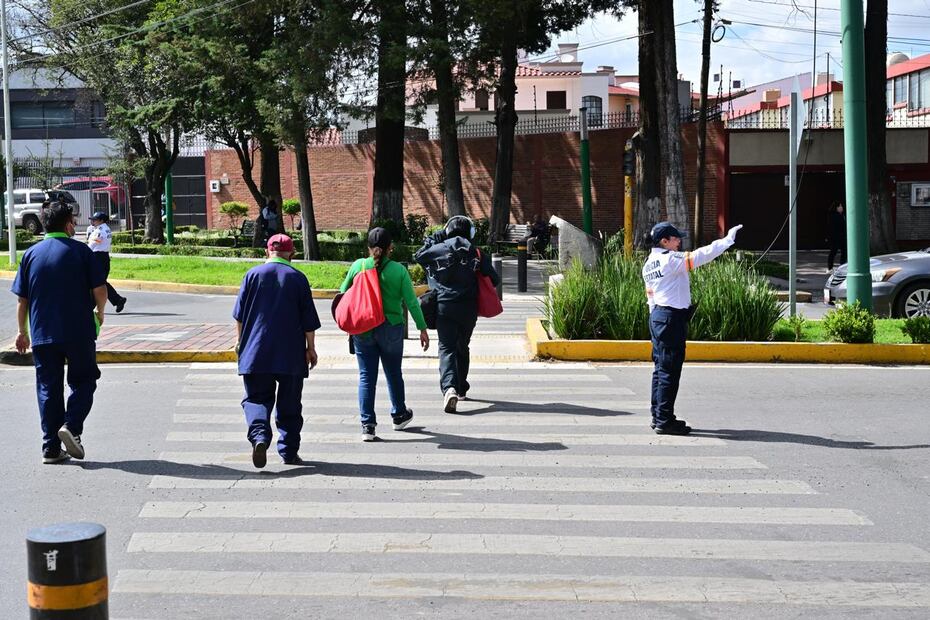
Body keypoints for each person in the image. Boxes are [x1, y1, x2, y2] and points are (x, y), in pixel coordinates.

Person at [11, 202, 107, 464]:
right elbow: (100, 289)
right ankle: (72, 426)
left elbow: (23, 300)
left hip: (42, 332)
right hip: (78, 331)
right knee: (85, 380)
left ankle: (51, 448)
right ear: (67, 225)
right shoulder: (81, 252)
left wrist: (22, 331)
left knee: (48, 388)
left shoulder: (30, 254)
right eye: (73, 222)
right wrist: (100, 313)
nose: (75, 226)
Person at [641, 221, 743, 435]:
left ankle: (658, 415)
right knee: (669, 371)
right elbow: (701, 255)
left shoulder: (649, 263)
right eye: (676, 238)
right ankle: (665, 421)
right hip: (670, 319)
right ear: (664, 241)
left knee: (660, 370)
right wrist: (727, 241)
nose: (679, 241)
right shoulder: (670, 260)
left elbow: (650, 296)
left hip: (658, 317)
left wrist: (656, 320)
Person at [233, 233, 321, 467]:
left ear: (267, 251)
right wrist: (310, 348)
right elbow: (308, 321)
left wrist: (240, 343)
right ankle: (289, 451)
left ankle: (260, 436)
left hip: (256, 351)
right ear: (291, 254)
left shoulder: (251, 275)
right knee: (290, 403)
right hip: (290, 353)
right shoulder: (298, 278)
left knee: (256, 399)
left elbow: (239, 316)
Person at [341, 227, 429, 441]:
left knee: (366, 377)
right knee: (393, 373)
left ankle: (368, 426)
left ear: (368, 247)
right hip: (391, 327)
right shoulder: (399, 270)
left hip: (363, 329)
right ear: (391, 247)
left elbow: (342, 294)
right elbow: (411, 302)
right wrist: (422, 328)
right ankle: (399, 415)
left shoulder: (358, 266)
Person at [415, 215, 500, 413]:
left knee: (446, 348)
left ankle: (450, 388)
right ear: (470, 233)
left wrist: (434, 239)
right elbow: (494, 279)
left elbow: (418, 256)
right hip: (468, 308)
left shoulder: (438, 249)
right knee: (463, 346)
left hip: (444, 306)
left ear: (447, 230)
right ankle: (461, 387)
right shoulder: (476, 252)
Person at [86, 211, 127, 313]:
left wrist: (84, 254)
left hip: (98, 258)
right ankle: (117, 300)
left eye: (95, 220)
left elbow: (92, 245)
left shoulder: (100, 231)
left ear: (101, 220)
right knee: (99, 282)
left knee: (97, 282)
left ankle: (91, 306)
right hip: (102, 257)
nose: (93, 221)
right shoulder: (105, 228)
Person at [827, 202, 847, 271]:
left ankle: (842, 266)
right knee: (833, 251)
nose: (842, 208)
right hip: (835, 237)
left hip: (842, 237)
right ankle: (830, 267)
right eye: (840, 206)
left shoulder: (842, 215)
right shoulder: (834, 216)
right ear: (836, 208)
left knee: (844, 252)